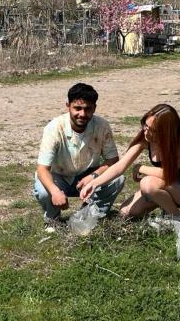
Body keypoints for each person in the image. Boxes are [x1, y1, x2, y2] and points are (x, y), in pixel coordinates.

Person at [81, 103, 180, 222]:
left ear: (166, 131)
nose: (146, 131)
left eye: (152, 130)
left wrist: (140, 167)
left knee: (147, 184)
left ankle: (177, 217)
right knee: (125, 212)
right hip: (167, 184)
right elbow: (120, 167)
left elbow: (169, 174)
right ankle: (164, 204)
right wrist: (94, 183)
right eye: (145, 125)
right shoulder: (146, 139)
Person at [34, 83, 125, 225]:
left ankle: (91, 214)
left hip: (88, 176)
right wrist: (55, 191)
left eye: (88, 109)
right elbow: (42, 169)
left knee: (117, 178)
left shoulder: (102, 126)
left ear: (94, 108)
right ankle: (53, 219)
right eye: (77, 108)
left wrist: (94, 176)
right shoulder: (54, 128)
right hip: (60, 177)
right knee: (44, 189)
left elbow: (113, 160)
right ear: (68, 106)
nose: (82, 114)